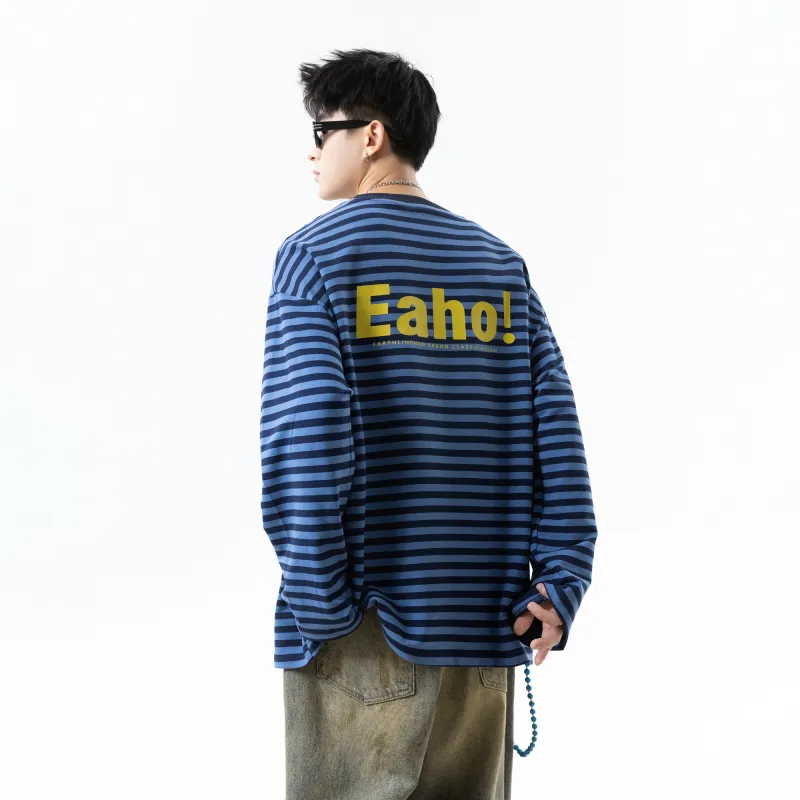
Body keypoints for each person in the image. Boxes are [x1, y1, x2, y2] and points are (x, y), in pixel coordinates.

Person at [259, 47, 598, 800]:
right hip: (485, 634)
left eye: (322, 132)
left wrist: (320, 607)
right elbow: (556, 436)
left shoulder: (315, 258)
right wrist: (558, 585)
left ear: (371, 136)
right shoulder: (498, 267)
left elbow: (306, 441)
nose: (312, 152)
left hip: (365, 629)